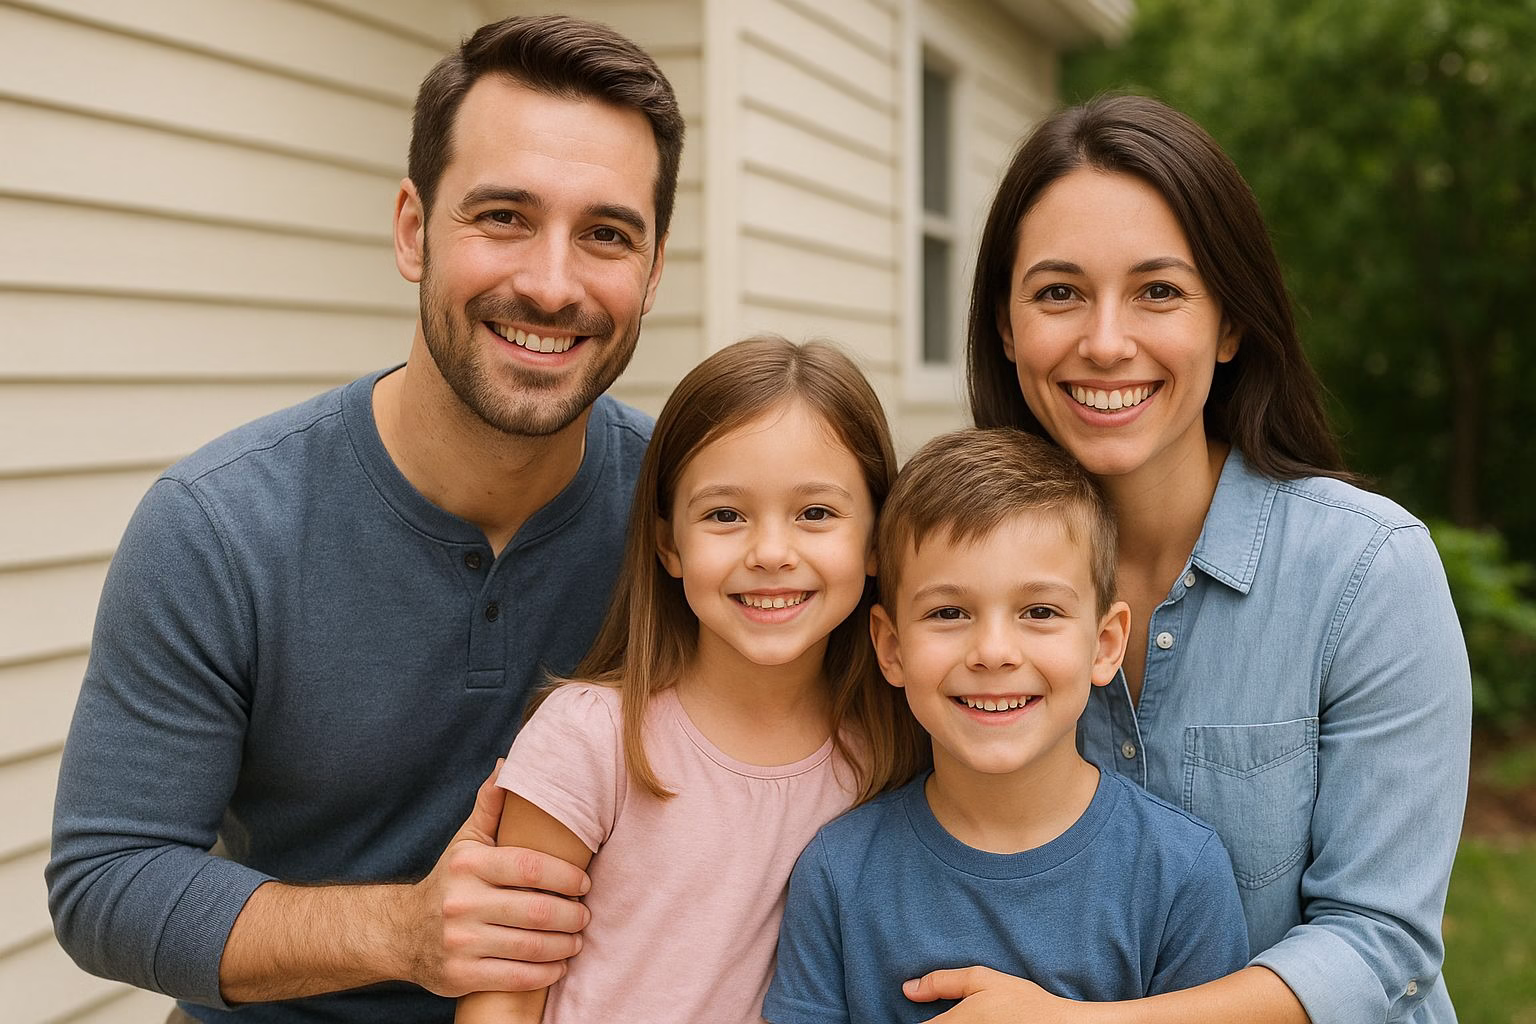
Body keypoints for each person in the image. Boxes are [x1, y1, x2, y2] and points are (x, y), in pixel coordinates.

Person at [47, 15, 684, 1024]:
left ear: (651, 272)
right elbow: (107, 880)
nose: (552, 284)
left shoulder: (695, 523)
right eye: (504, 216)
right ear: (412, 229)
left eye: (606, 233)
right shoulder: (219, 526)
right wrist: (403, 931)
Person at [903, 94, 1471, 1023]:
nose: (1106, 341)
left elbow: (1379, 943)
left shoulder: (1369, 572)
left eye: (1159, 291)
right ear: (1005, 328)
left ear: (1232, 325)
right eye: (1058, 292)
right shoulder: (942, 582)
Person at [454, 336, 928, 1024]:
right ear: (669, 543)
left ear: (878, 539)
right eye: (724, 515)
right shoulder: (590, 741)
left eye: (816, 513)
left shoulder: (894, 749)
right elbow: (500, 1002)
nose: (770, 552)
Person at [763, 428, 1250, 1023]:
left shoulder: (1178, 872)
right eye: (949, 612)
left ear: (1105, 644)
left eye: (1039, 612)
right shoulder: (838, 874)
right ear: (891, 647)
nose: (993, 652)